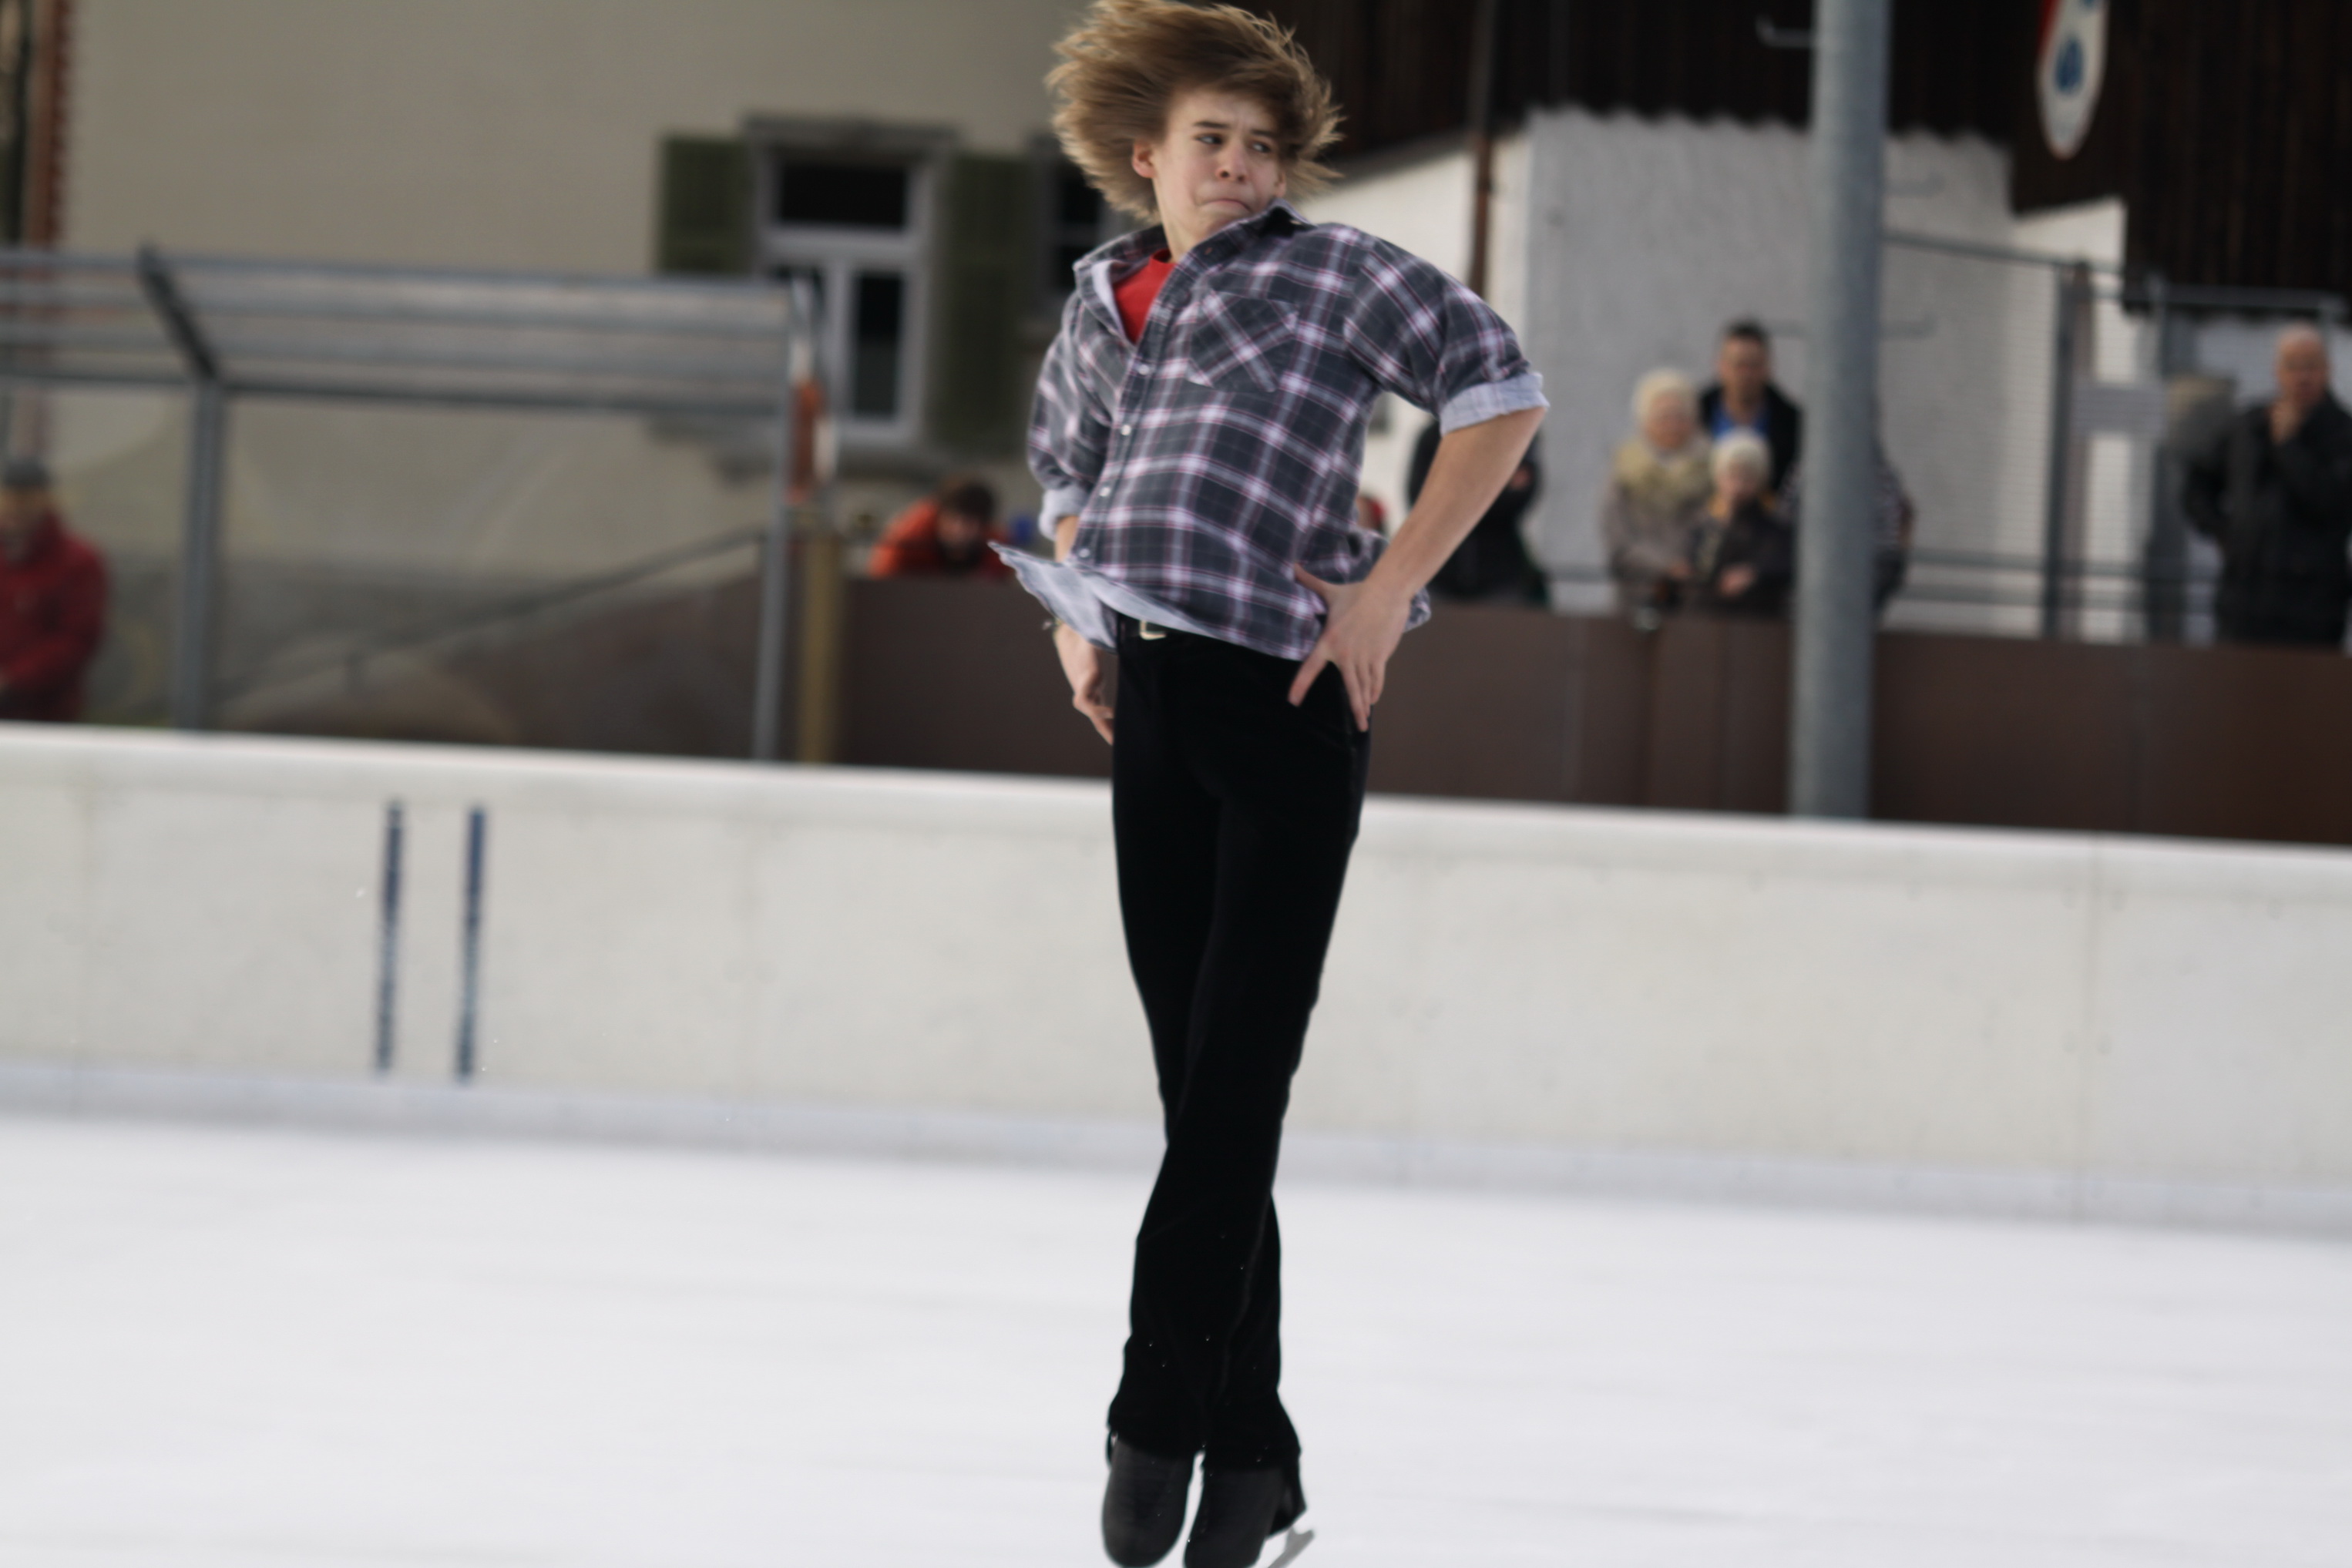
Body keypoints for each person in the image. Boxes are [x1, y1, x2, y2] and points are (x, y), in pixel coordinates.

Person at [1012, 5, 1544, 1563]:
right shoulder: (1101, 303)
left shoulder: (1332, 274)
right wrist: (1075, 622)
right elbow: (1065, 479)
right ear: (1146, 157)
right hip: (1150, 696)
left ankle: (1155, 1410)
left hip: (1290, 699)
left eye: (1261, 146)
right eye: (1211, 142)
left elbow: (1498, 392)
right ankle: (1254, 1464)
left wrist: (1387, 591)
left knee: (1236, 1080)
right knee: (1199, 1097)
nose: (1240, 168)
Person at [2182, 324, 2352, 647]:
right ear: (2278, 372)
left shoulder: (2341, 433)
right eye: (2293, 366)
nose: (2303, 377)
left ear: (2327, 370)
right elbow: (2198, 483)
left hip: (2312, 609)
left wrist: (2288, 446)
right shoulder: (2248, 427)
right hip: (2246, 600)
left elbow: (2332, 502)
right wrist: (2225, 532)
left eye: (2311, 366)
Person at [0, 455, 106, 724]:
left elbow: (76, 638)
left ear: (46, 499)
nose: (15, 505)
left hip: (43, 716)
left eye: (25, 497)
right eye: (7, 496)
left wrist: (13, 679)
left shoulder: (77, 561)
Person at [1599, 368, 1713, 618]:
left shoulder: (1712, 468)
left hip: (1695, 598)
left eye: (1680, 416)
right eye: (1663, 417)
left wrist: (1691, 566)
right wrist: (1665, 566)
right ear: (1645, 420)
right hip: (1637, 595)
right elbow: (1618, 538)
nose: (1672, 425)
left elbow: (1716, 528)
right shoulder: (1625, 469)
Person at [1406, 418, 1546, 604]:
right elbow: (1421, 501)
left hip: (1500, 573)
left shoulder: (1516, 429)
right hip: (1438, 573)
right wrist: (1493, 484)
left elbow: (1517, 497)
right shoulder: (1434, 435)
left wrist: (1454, 490)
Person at [1777, 441, 1917, 613]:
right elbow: (1785, 517)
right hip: (1825, 573)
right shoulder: (1807, 468)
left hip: (1857, 574)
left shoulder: (1881, 475)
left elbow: (1889, 540)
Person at [1688, 431, 1793, 616]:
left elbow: (1783, 563)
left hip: (1759, 617)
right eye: (1732, 476)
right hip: (1710, 617)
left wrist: (1754, 574)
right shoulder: (1706, 521)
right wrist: (1722, 524)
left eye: (1747, 478)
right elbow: (1702, 569)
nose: (1739, 486)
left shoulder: (1773, 521)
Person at [1697, 319, 1803, 495]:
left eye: (1754, 366)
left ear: (1768, 367)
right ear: (1720, 366)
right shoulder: (1694, 416)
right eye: (1739, 365)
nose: (1746, 375)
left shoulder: (1794, 424)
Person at [866, 475, 1014, 579]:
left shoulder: (997, 549)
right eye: (953, 520)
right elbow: (881, 577)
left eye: (969, 524)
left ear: (983, 526)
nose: (959, 530)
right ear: (939, 515)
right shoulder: (907, 538)